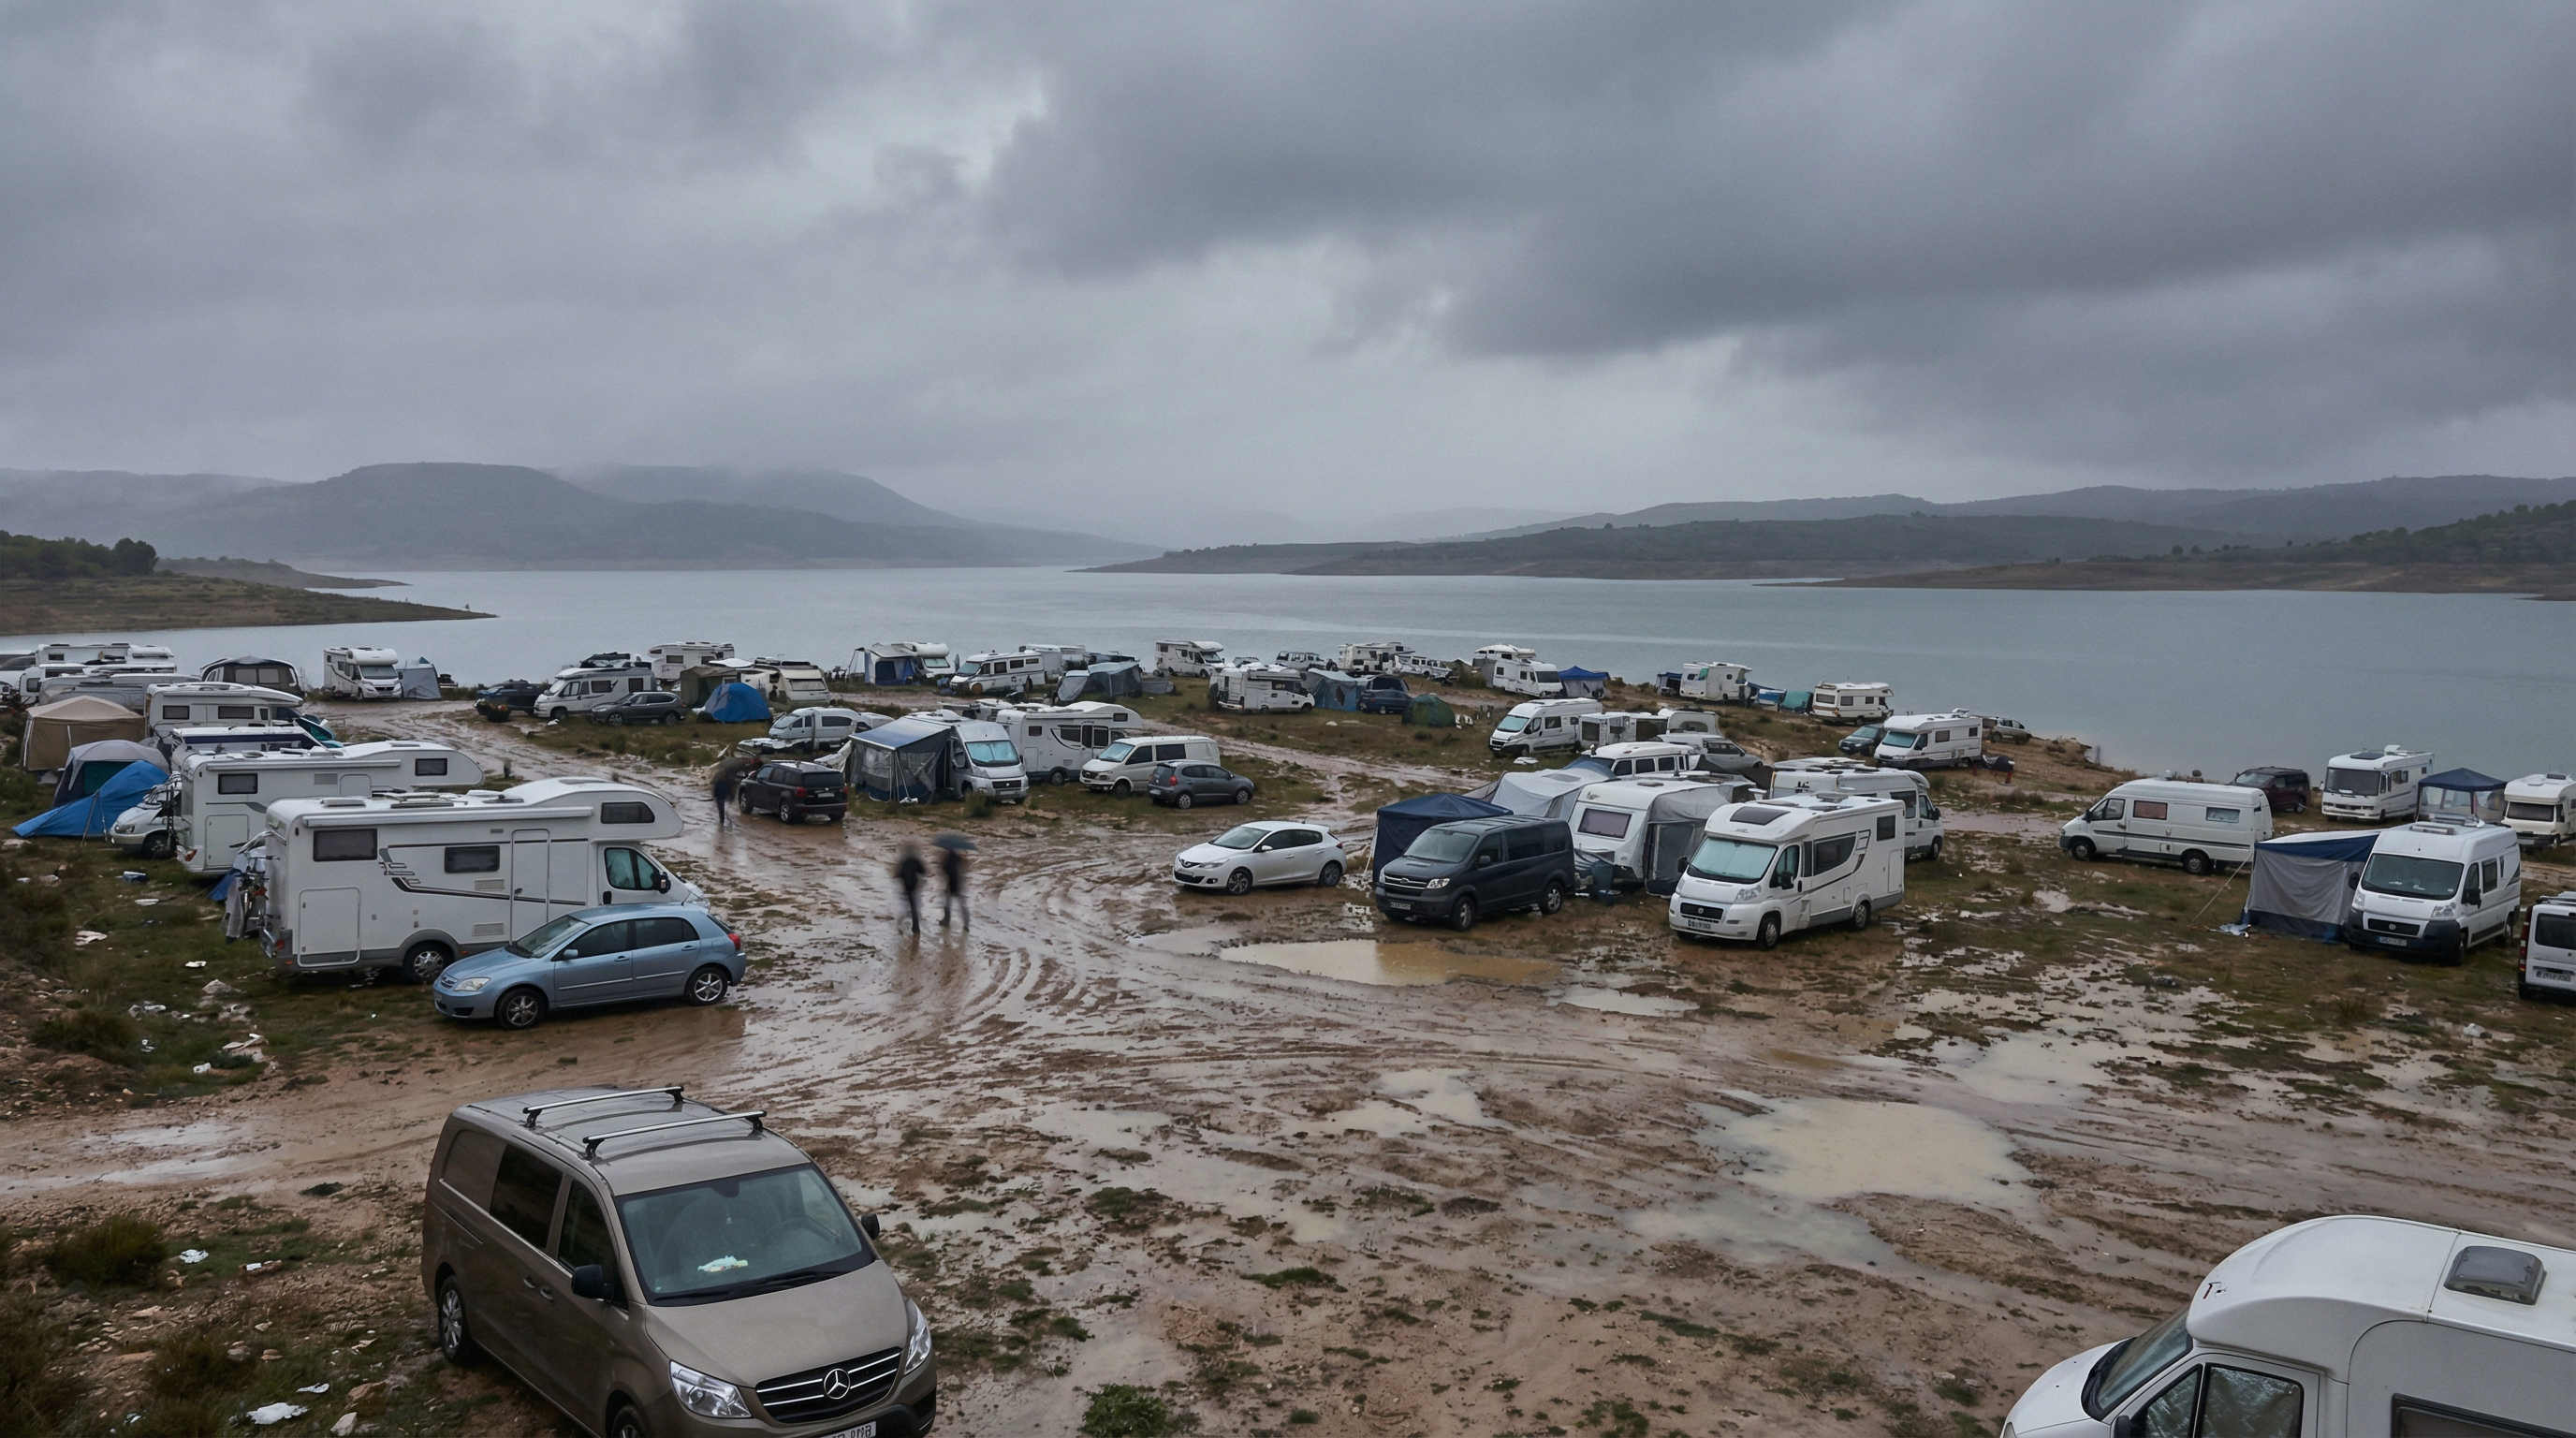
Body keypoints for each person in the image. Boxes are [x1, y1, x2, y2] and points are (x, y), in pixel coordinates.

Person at [894, 844, 928, 934]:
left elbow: (900, 873)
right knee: (913, 905)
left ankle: (911, 924)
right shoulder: (916, 861)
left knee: (909, 905)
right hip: (914, 885)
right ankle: (915, 927)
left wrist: (897, 876)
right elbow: (923, 871)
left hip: (906, 885)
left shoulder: (904, 861)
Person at [940, 844, 969, 931]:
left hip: (951, 884)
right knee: (961, 905)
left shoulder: (948, 859)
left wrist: (942, 863)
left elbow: (946, 870)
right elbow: (964, 865)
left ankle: (946, 921)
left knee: (947, 904)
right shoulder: (957, 857)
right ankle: (966, 924)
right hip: (958, 884)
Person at [710, 761, 742, 829]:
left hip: (721, 794)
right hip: (721, 794)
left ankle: (722, 821)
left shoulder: (721, 775)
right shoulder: (727, 776)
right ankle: (723, 820)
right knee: (722, 807)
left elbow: (713, 783)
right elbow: (732, 785)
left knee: (722, 807)